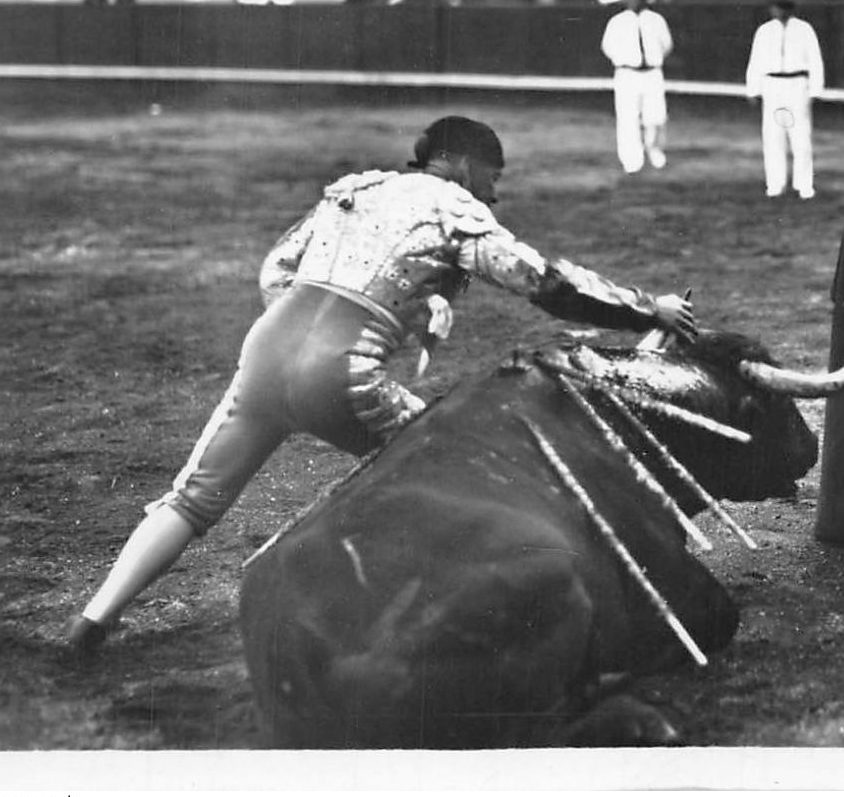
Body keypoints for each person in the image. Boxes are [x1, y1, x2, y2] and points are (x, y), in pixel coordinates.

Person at [65, 116, 697, 655]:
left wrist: (322, 327)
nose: (494, 189)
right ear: (457, 162)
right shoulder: (454, 206)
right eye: (492, 174)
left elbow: (277, 267)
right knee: (460, 470)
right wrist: (648, 309)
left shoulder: (354, 191)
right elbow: (543, 282)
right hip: (343, 374)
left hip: (264, 353)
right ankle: (438, 623)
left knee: (192, 499)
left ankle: (93, 617)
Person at [744, 0, 825, 199]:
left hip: (797, 84)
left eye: (783, 6)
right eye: (776, 6)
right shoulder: (764, 31)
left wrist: (815, 89)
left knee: (801, 136)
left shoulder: (804, 29)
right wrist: (753, 88)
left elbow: (815, 59)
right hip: (772, 85)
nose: (779, 10)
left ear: (790, 9)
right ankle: (775, 183)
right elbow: (756, 60)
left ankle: (804, 184)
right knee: (773, 135)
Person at [599, 0, 675, 173]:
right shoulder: (617, 21)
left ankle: (655, 150)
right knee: (627, 117)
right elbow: (607, 46)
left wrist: (652, 61)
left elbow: (666, 45)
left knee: (656, 116)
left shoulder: (656, 20)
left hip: (652, 73)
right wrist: (624, 61)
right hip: (627, 74)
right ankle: (631, 158)